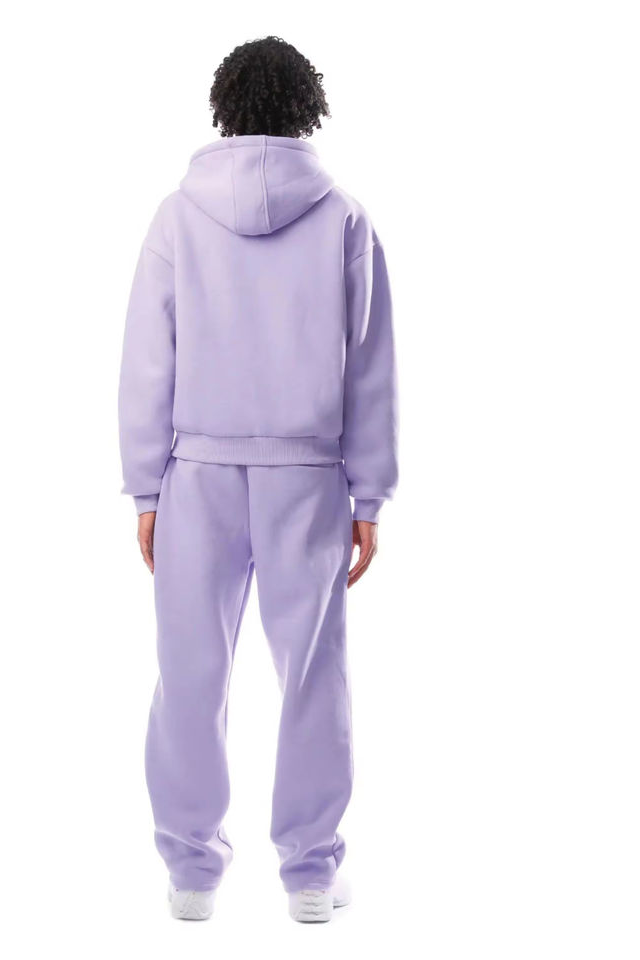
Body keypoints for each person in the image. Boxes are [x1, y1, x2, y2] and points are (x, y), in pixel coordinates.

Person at [118, 36, 398, 923]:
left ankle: (192, 875)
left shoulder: (178, 216)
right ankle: (310, 875)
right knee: (312, 676)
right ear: (307, 107)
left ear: (225, 106)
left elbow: (147, 359)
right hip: (307, 479)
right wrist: (369, 494)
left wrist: (146, 488)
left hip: (197, 473)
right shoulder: (343, 217)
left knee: (189, 673)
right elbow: (371, 367)